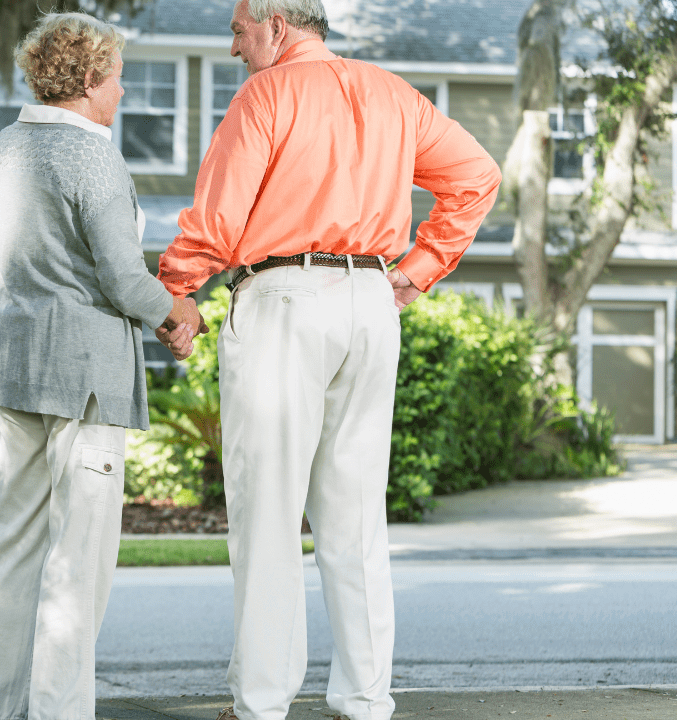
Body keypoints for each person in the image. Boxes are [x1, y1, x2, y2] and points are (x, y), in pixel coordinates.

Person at [155, 1, 502, 719]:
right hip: (371, 304)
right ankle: (366, 698)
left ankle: (262, 702)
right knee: (354, 514)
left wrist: (174, 291)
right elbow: (477, 174)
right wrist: (421, 265)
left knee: (269, 510)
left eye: (239, 30)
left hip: (285, 300)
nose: (233, 48)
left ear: (277, 26)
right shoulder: (394, 93)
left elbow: (218, 221)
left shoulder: (265, 94)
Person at [0, 12, 204, 720]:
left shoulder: (9, 145)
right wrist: (179, 315)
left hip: (15, 364)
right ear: (91, 78)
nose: (123, 91)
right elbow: (123, 277)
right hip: (84, 377)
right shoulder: (92, 154)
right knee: (80, 561)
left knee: (16, 549)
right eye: (118, 76)